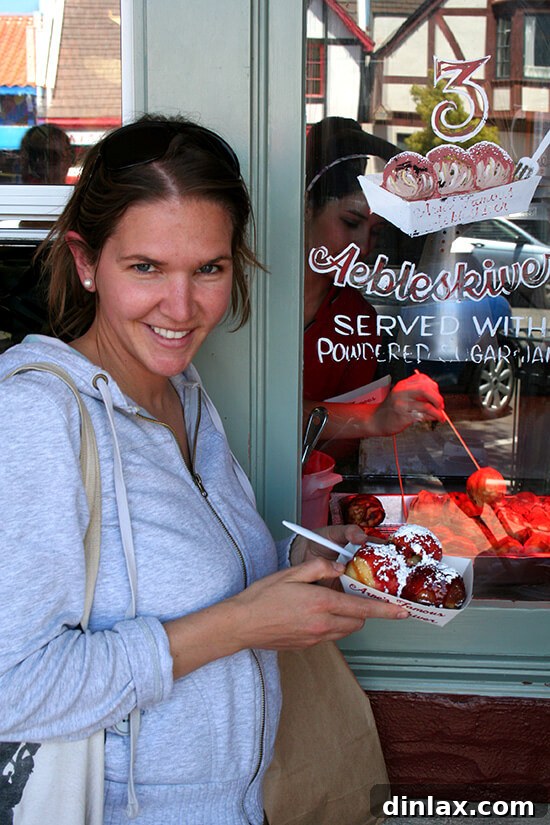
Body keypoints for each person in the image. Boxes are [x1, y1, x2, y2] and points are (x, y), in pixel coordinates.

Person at [0, 115, 408, 825]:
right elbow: (14, 687)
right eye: (146, 267)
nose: (182, 309)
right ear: (87, 260)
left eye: (209, 269)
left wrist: (299, 561)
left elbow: (184, 571)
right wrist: (243, 623)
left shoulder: (182, 392)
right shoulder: (37, 415)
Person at [303, 117, 445, 451]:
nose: (364, 247)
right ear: (307, 209)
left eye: (376, 232)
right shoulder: (255, 299)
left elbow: (344, 439)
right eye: (350, 222)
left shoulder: (359, 317)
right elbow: (262, 411)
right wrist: (374, 418)